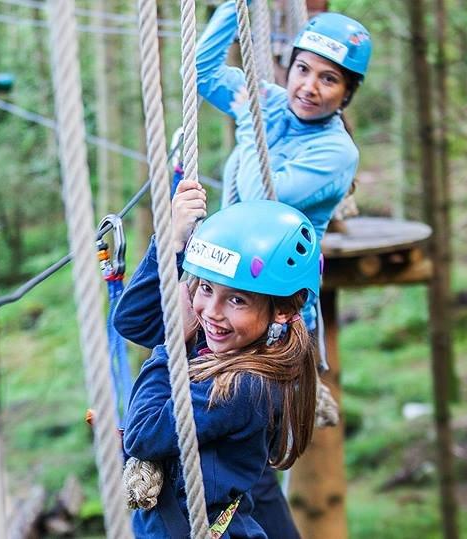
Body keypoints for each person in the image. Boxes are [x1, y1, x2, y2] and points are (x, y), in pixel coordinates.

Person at [122, 199, 320, 538]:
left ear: (282, 310)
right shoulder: (229, 340)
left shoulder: (245, 385)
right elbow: (133, 321)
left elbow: (143, 434)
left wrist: (173, 345)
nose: (212, 312)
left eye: (237, 299)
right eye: (207, 288)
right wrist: (170, 246)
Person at [198, 1, 372, 242]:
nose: (309, 87)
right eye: (302, 69)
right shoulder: (270, 101)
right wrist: (236, 5)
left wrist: (251, 119)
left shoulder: (338, 152)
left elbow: (258, 199)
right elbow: (202, 73)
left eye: (328, 79)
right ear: (290, 69)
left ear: (347, 94)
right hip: (224, 263)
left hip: (275, 277)